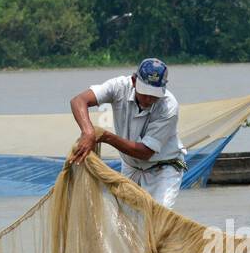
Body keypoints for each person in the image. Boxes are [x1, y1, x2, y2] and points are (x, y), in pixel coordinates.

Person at [69, 57, 185, 208]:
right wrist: (88, 131)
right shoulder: (119, 87)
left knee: (158, 220)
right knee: (125, 222)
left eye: (154, 94)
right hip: (131, 166)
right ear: (134, 81)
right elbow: (79, 101)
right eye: (145, 92)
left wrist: (106, 137)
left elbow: (145, 152)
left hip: (162, 169)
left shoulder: (169, 107)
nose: (149, 99)